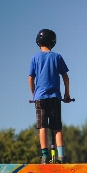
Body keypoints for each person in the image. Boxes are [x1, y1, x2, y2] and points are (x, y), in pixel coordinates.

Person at [29, 29, 72, 164]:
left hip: (40, 98)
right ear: (53, 42)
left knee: (43, 127)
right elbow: (65, 77)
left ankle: (44, 156)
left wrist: (34, 94)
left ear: (38, 42)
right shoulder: (57, 57)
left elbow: (30, 79)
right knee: (57, 127)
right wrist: (66, 94)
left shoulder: (34, 58)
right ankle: (61, 156)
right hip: (54, 97)